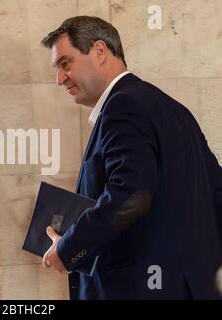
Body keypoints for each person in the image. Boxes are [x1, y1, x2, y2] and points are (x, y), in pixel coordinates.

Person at [40, 16, 222, 299]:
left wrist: (69, 248)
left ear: (100, 51)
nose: (60, 79)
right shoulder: (175, 110)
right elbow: (217, 193)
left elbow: (131, 195)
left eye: (66, 64)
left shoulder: (123, 106)